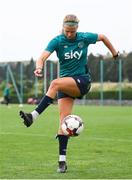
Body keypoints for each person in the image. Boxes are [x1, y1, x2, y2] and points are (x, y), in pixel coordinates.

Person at [19, 14, 119, 173]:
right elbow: (42, 57)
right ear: (63, 28)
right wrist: (38, 67)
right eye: (67, 31)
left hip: (82, 81)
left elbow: (103, 37)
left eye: (72, 31)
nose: (70, 34)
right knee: (63, 122)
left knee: (54, 83)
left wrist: (114, 53)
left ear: (77, 28)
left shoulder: (85, 37)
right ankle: (62, 162)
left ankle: (33, 116)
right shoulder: (57, 41)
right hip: (66, 85)